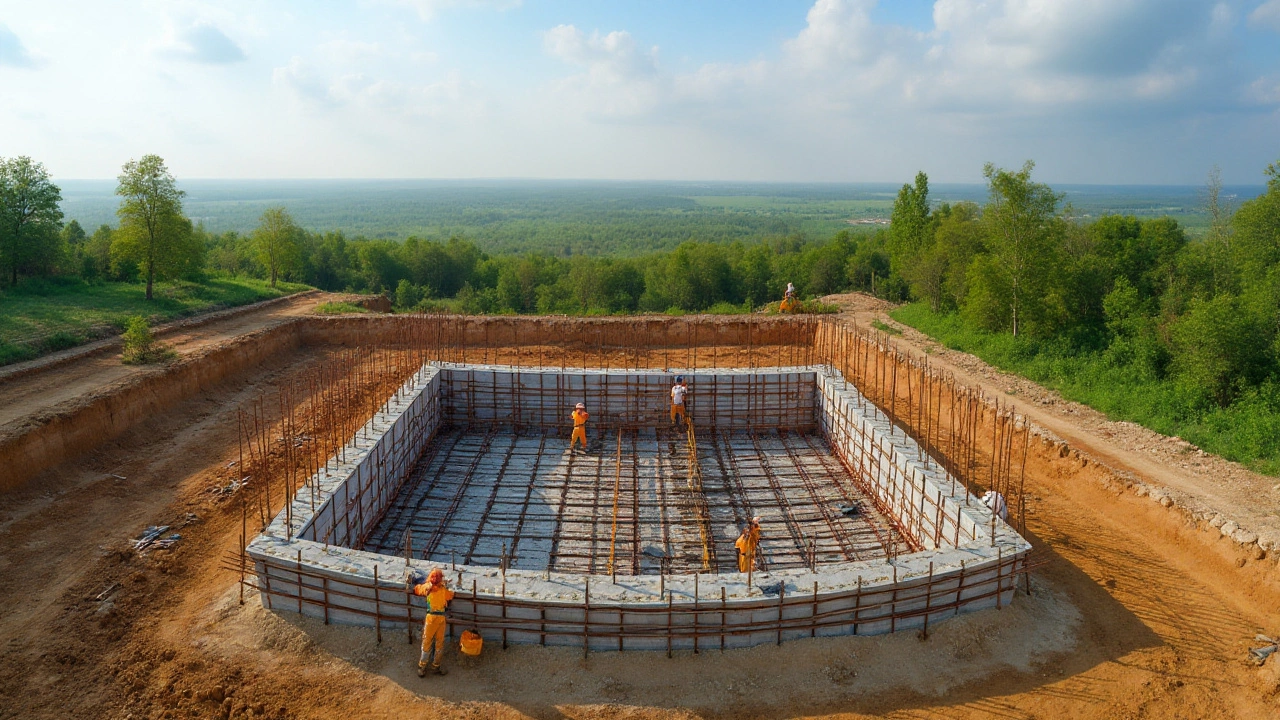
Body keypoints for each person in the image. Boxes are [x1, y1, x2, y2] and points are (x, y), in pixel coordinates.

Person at [410, 568, 455, 677]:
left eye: (438, 577)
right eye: (434, 576)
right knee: (427, 641)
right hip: (431, 617)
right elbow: (418, 590)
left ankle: (436, 666)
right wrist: (426, 587)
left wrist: (449, 588)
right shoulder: (428, 587)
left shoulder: (442, 589)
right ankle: (422, 666)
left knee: (440, 643)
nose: (435, 578)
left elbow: (450, 595)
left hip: (441, 618)